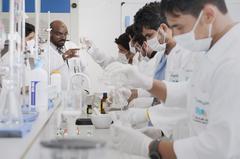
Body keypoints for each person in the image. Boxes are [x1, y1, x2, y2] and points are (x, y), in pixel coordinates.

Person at [108, 0, 240, 158]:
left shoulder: (232, 60)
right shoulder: (217, 49)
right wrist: (146, 83)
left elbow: (218, 147)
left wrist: (149, 147)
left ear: (208, 15)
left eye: (178, 27)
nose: (175, 35)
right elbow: (192, 90)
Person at [41, 20, 86, 90]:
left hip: (76, 94)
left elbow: (84, 68)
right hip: (54, 95)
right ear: (50, 33)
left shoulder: (72, 46)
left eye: (65, 34)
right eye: (59, 34)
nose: (63, 37)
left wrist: (85, 89)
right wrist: (62, 58)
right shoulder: (42, 50)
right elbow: (43, 71)